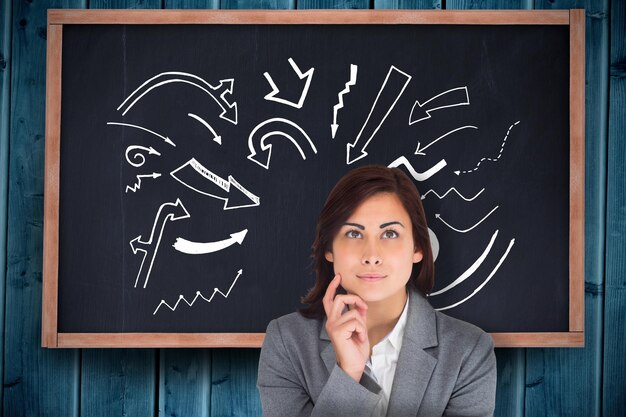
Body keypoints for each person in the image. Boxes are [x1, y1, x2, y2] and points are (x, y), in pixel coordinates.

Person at [257, 165, 496, 417]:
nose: (371, 255)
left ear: (418, 248)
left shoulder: (468, 351)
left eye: (390, 233)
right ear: (329, 248)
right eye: (353, 233)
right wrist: (348, 374)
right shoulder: (286, 342)